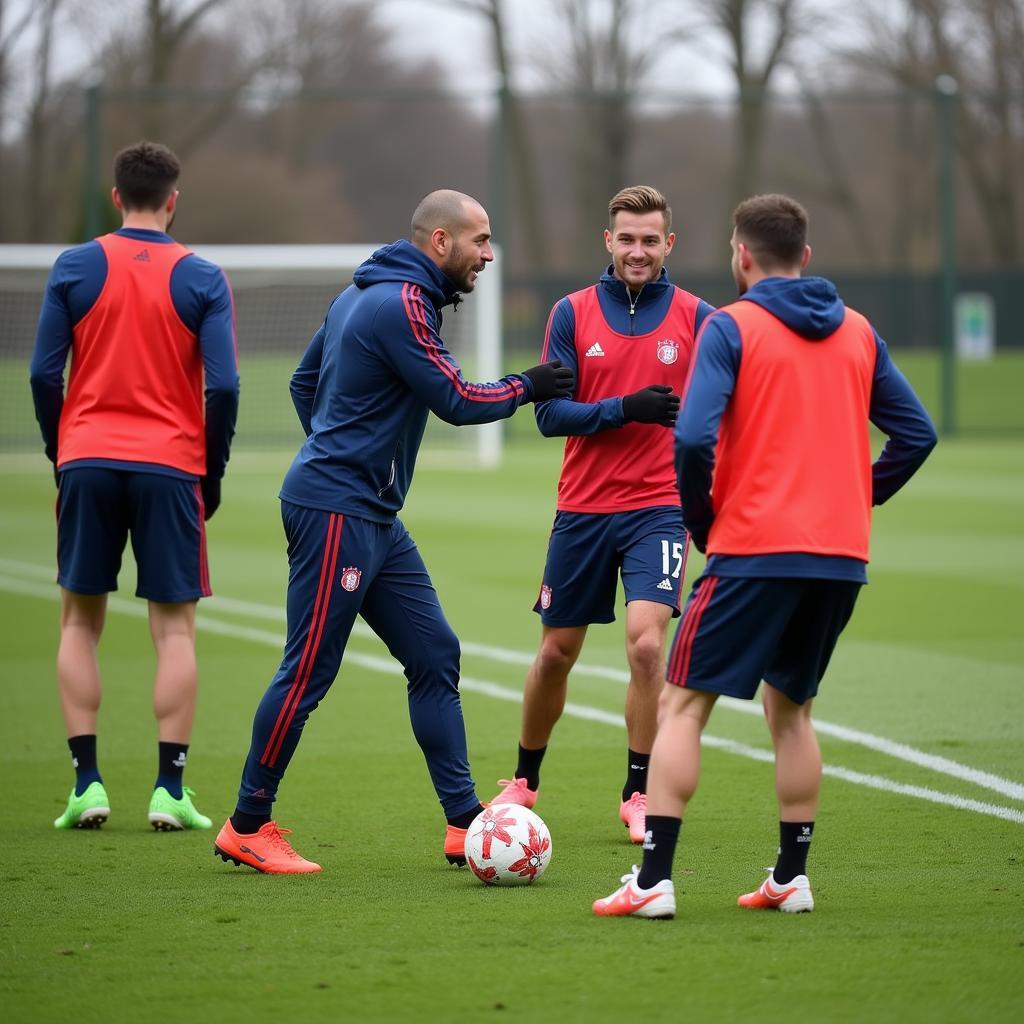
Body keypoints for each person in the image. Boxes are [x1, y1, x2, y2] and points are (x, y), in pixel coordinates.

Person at [593, 193, 937, 919]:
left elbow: (691, 439)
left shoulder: (730, 327)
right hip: (839, 559)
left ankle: (652, 881)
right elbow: (917, 435)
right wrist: (857, 498)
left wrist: (705, 522)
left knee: (684, 706)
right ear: (805, 257)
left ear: (740, 256)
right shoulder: (859, 331)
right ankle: (791, 876)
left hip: (753, 549)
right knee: (793, 712)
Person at [213, 189, 574, 874]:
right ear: (440, 241)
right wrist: (532, 384)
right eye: (481, 240)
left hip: (369, 512)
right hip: (338, 512)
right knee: (309, 668)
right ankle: (247, 823)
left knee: (435, 652)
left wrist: (343, 454)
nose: (489, 254)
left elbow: (303, 383)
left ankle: (464, 820)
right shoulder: (400, 304)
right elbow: (460, 401)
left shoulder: (361, 295)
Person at [489, 185, 714, 843]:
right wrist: (624, 408)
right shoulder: (571, 313)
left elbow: (715, 416)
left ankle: (638, 790)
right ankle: (525, 778)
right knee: (557, 653)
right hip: (583, 509)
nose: (637, 250)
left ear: (668, 244)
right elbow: (550, 415)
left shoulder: (701, 318)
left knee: (647, 645)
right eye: (627, 238)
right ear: (607, 241)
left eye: (650, 239)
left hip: (659, 509)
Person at [29, 141, 239, 833]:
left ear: (116, 197)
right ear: (172, 201)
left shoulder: (74, 265)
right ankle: (168, 791)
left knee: (77, 621)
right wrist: (211, 468)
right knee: (173, 629)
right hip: (171, 465)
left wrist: (63, 451)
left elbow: (41, 375)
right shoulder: (203, 276)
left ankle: (88, 785)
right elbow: (226, 386)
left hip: (85, 458)